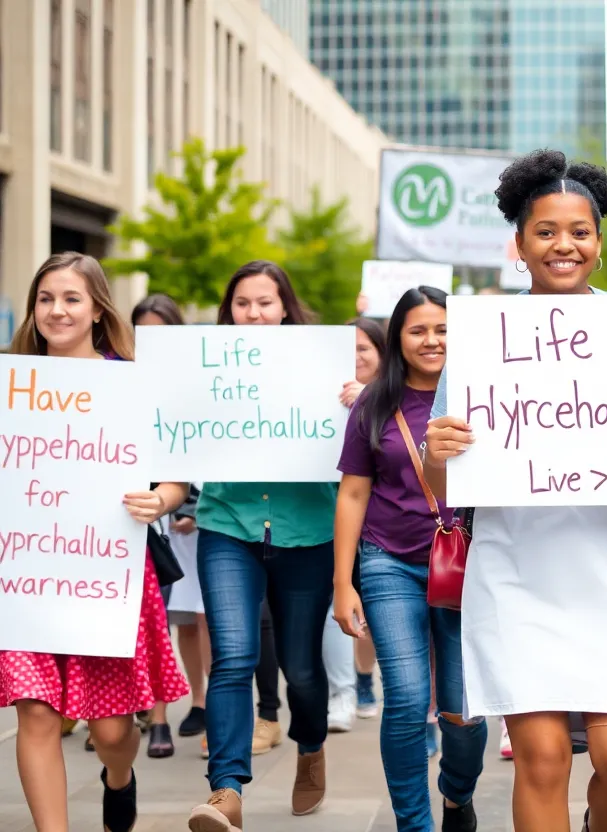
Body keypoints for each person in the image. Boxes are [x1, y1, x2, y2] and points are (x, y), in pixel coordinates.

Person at [423, 149, 607, 832]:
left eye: (580, 231)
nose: (565, 244)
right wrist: (436, 454)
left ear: (600, 242)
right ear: (520, 245)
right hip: (519, 572)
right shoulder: (482, 341)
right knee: (543, 760)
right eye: (547, 231)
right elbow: (440, 483)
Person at [0, 253, 190, 832]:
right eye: (46, 299)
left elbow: (175, 477)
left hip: (108, 581)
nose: (57, 310)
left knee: (112, 732)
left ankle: (117, 776)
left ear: (97, 308)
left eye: (71, 298)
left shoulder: (130, 384)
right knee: (36, 711)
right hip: (26, 579)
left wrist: (161, 499)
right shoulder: (10, 384)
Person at [188, 262, 335, 832]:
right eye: (242, 304)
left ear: (285, 308)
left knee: (300, 667)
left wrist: (351, 402)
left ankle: (311, 744)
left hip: (307, 529)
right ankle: (226, 789)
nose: (253, 313)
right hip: (228, 524)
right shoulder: (206, 372)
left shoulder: (321, 369)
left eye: (265, 303)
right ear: (229, 312)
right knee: (233, 657)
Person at [333, 287, 486, 831]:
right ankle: (413, 824)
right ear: (398, 337)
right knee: (406, 698)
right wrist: (342, 584)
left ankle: (456, 794)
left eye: (443, 329)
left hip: (471, 563)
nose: (432, 340)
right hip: (388, 562)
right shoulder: (374, 403)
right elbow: (352, 494)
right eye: (418, 330)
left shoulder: (488, 393)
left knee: (464, 711)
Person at [131, 293, 210, 760]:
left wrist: (190, 505)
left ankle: (207, 707)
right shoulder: (121, 384)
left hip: (199, 522)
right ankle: (158, 715)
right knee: (170, 617)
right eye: (143, 335)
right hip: (153, 526)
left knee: (207, 619)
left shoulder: (197, 385)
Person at [327, 316, 389, 730]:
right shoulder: (317, 390)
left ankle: (366, 679)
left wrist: (368, 399)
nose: (354, 358)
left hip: (381, 519)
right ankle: (355, 681)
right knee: (352, 604)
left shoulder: (388, 397)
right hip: (328, 510)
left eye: (363, 348)